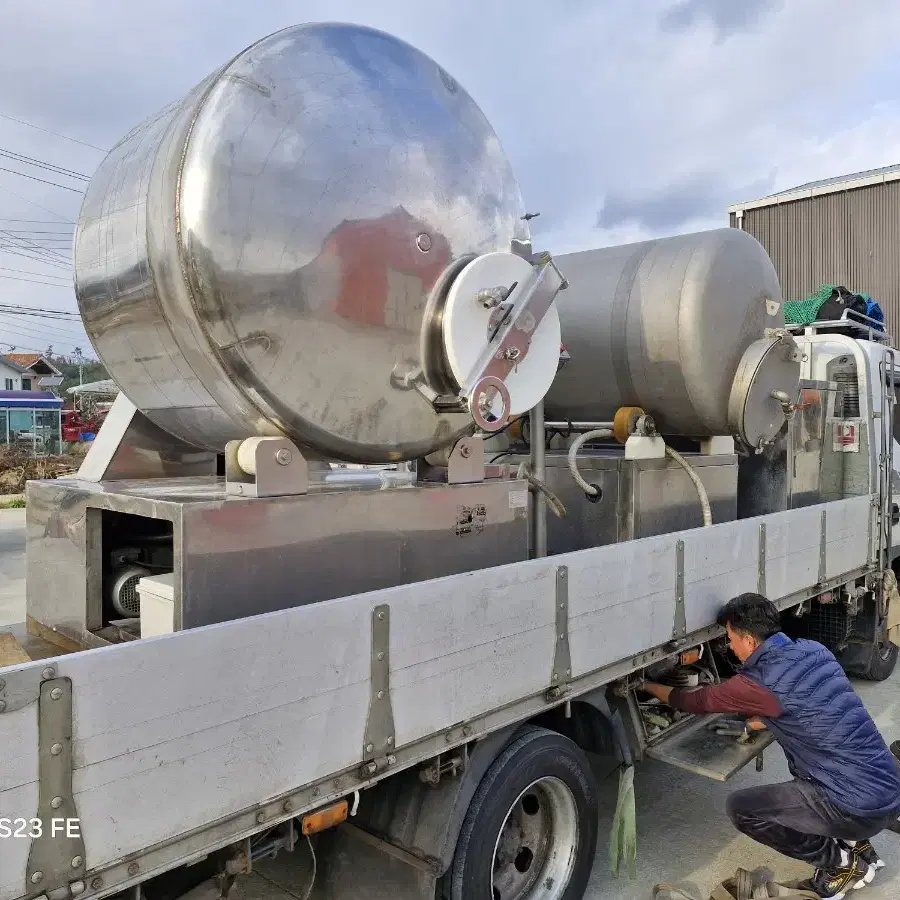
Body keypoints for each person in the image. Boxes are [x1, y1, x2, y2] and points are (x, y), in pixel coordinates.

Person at [642, 592, 900, 899]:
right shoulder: (813, 650)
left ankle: (841, 865)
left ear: (749, 641)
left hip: (855, 808)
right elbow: (810, 707)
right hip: (888, 789)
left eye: (730, 638)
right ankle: (861, 846)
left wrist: (646, 685)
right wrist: (752, 723)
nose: (730, 646)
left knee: (742, 809)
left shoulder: (755, 683)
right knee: (806, 769)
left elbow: (693, 701)